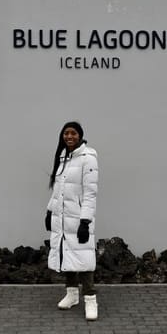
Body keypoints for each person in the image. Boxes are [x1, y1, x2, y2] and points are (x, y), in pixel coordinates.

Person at [45, 121, 99, 321]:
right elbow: (58, 190)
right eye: (66, 133)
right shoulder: (63, 158)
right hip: (61, 217)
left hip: (78, 218)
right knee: (65, 255)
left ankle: (91, 300)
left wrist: (85, 221)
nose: (69, 137)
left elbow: (90, 194)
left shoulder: (88, 158)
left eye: (73, 133)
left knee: (84, 259)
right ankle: (71, 294)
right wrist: (50, 211)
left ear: (80, 135)